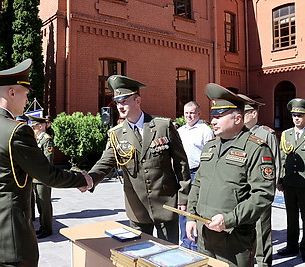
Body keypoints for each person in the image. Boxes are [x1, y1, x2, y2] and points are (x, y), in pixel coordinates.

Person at [0, 58, 93, 267]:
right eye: (25, 94)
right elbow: (47, 175)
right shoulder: (16, 131)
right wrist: (82, 178)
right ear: (12, 92)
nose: (27, 101)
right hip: (13, 242)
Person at [87, 75, 191, 244]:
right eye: (117, 102)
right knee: (139, 252)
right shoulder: (116, 133)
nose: (120, 106)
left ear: (138, 100)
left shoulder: (162, 126)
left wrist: (184, 197)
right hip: (137, 208)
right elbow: (105, 162)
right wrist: (89, 179)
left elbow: (181, 164)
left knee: (170, 253)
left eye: (124, 101)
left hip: (166, 203)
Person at [185, 83, 275, 266]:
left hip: (234, 237)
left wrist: (229, 220)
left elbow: (263, 195)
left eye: (219, 116)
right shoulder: (210, 146)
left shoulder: (256, 148)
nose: (213, 121)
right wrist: (191, 217)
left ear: (237, 119)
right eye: (213, 116)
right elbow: (198, 183)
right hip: (205, 235)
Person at [240, 94, 280, 266]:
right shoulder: (238, 134)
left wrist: (270, 189)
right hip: (242, 189)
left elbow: (275, 162)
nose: (241, 115)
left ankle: (263, 261)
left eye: (246, 112)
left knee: (262, 228)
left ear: (254, 114)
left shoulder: (266, 134)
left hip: (260, 189)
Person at [177, 101, 214, 251]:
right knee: (182, 207)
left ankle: (195, 243)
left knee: (195, 208)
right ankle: (185, 241)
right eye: (186, 113)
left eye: (192, 112)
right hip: (181, 174)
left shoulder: (205, 130)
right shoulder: (180, 131)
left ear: (199, 113)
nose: (189, 115)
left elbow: (211, 153)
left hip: (197, 173)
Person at [277, 98, 305, 261]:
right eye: (294, 115)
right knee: (291, 216)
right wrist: (280, 180)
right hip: (289, 183)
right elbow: (281, 158)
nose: (297, 118)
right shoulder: (286, 134)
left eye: (300, 115)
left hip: (304, 183)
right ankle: (292, 245)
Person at [29, 115, 54, 239]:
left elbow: (48, 161)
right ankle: (43, 226)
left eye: (34, 127)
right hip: (36, 177)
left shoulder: (46, 139)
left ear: (40, 126)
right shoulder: (38, 139)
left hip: (43, 178)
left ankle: (47, 228)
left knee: (44, 203)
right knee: (39, 202)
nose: (33, 129)